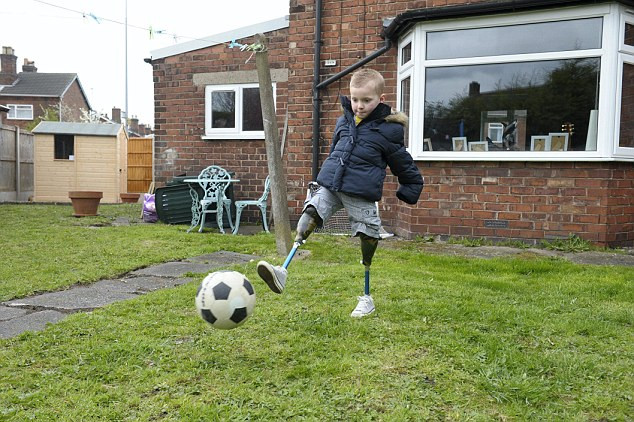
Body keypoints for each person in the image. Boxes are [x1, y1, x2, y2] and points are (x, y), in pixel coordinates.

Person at [257, 68, 423, 317]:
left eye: (366, 100)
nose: (359, 105)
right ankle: (282, 270)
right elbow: (336, 150)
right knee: (309, 215)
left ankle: (366, 298)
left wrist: (411, 186)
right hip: (332, 185)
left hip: (361, 192)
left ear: (380, 97)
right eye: (355, 99)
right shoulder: (343, 120)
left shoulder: (389, 130)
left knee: (368, 237)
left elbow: (401, 160)